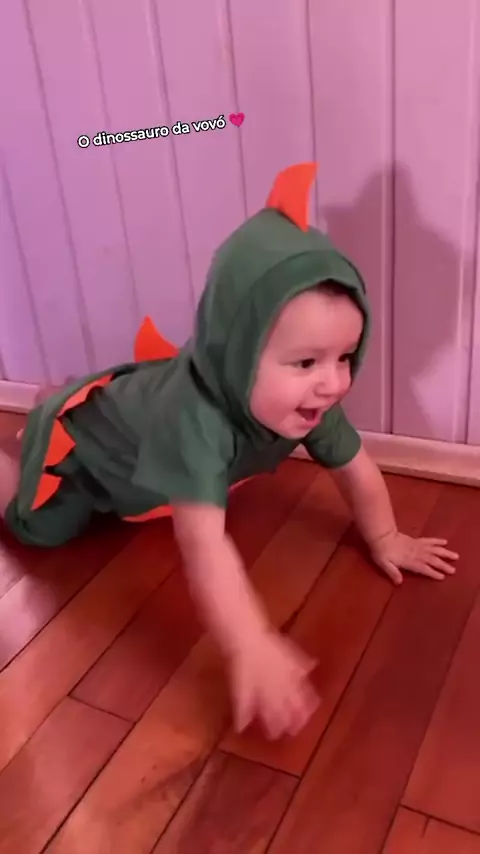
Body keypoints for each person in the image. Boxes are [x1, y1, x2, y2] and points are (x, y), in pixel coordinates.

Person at [0, 163, 459, 740]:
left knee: (140, 448)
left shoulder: (309, 404)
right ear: (236, 354)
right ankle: (43, 426)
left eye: (344, 357)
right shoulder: (197, 421)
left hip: (144, 457)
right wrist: (251, 643)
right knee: (41, 524)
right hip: (86, 467)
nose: (333, 382)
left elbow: (355, 467)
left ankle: (60, 398)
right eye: (306, 362)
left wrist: (387, 537)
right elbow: (204, 545)